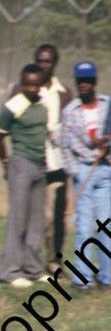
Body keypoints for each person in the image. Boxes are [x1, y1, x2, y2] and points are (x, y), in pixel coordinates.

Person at [0, 64, 50, 289]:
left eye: (36, 84)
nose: (32, 88)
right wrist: (5, 161)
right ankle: (10, 271)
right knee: (18, 218)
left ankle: (34, 268)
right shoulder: (12, 106)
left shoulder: (43, 104)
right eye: (28, 84)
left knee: (37, 221)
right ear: (22, 83)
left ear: (41, 84)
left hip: (41, 166)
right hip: (21, 164)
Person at [62, 60, 111, 289]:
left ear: (94, 81)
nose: (84, 84)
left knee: (106, 227)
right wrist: (75, 172)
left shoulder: (108, 105)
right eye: (80, 80)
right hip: (83, 170)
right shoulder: (70, 111)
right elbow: (65, 146)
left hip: (106, 170)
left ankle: (107, 277)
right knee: (83, 227)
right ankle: (83, 278)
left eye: (88, 80)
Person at [36, 44, 71, 273]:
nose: (43, 65)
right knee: (34, 216)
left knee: (56, 216)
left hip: (58, 164)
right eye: (40, 61)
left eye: (47, 61)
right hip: (34, 161)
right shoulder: (28, 88)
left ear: (54, 63)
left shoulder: (64, 93)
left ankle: (54, 260)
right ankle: (30, 261)